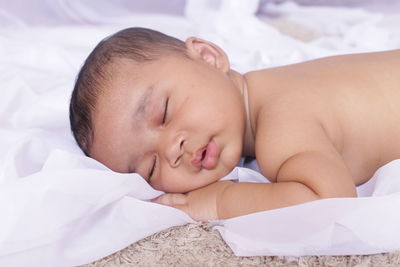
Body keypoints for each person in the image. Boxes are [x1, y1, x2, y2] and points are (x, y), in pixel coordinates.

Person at [69, 27, 400, 221]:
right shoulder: (270, 86)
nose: (172, 149)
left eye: (165, 112)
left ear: (209, 57)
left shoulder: (279, 128)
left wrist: (220, 200)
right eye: (151, 167)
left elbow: (329, 202)